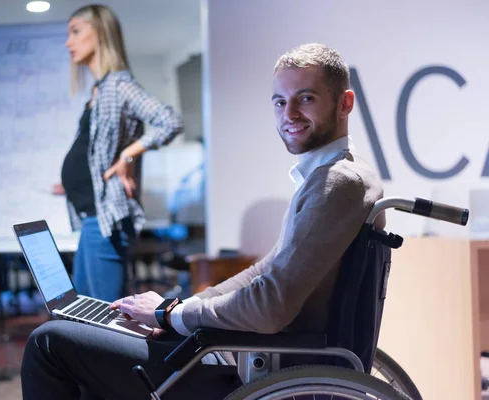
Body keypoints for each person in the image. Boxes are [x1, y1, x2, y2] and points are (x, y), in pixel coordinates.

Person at [21, 43, 385, 399]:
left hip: (265, 373)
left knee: (50, 341)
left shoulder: (335, 183)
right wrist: (173, 311)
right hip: (259, 357)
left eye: (305, 98)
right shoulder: (334, 176)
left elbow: (272, 305)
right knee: (91, 339)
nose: (288, 114)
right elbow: (265, 272)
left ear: (345, 103)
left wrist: (173, 315)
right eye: (279, 101)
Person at [54, 4, 183, 302]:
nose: (68, 42)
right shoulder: (98, 91)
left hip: (107, 218)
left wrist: (128, 156)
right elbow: (93, 152)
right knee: (83, 311)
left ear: (99, 32)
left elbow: (170, 121)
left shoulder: (120, 85)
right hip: (92, 217)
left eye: (75, 32)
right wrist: (75, 182)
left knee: (106, 315)